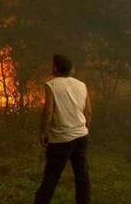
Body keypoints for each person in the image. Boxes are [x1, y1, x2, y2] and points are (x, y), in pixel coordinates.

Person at [34, 54, 92, 204]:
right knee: (82, 174)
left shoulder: (51, 85)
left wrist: (44, 132)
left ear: (55, 68)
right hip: (81, 136)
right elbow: (89, 112)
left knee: (51, 176)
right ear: (71, 69)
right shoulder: (82, 85)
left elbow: (48, 111)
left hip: (60, 139)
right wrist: (84, 129)